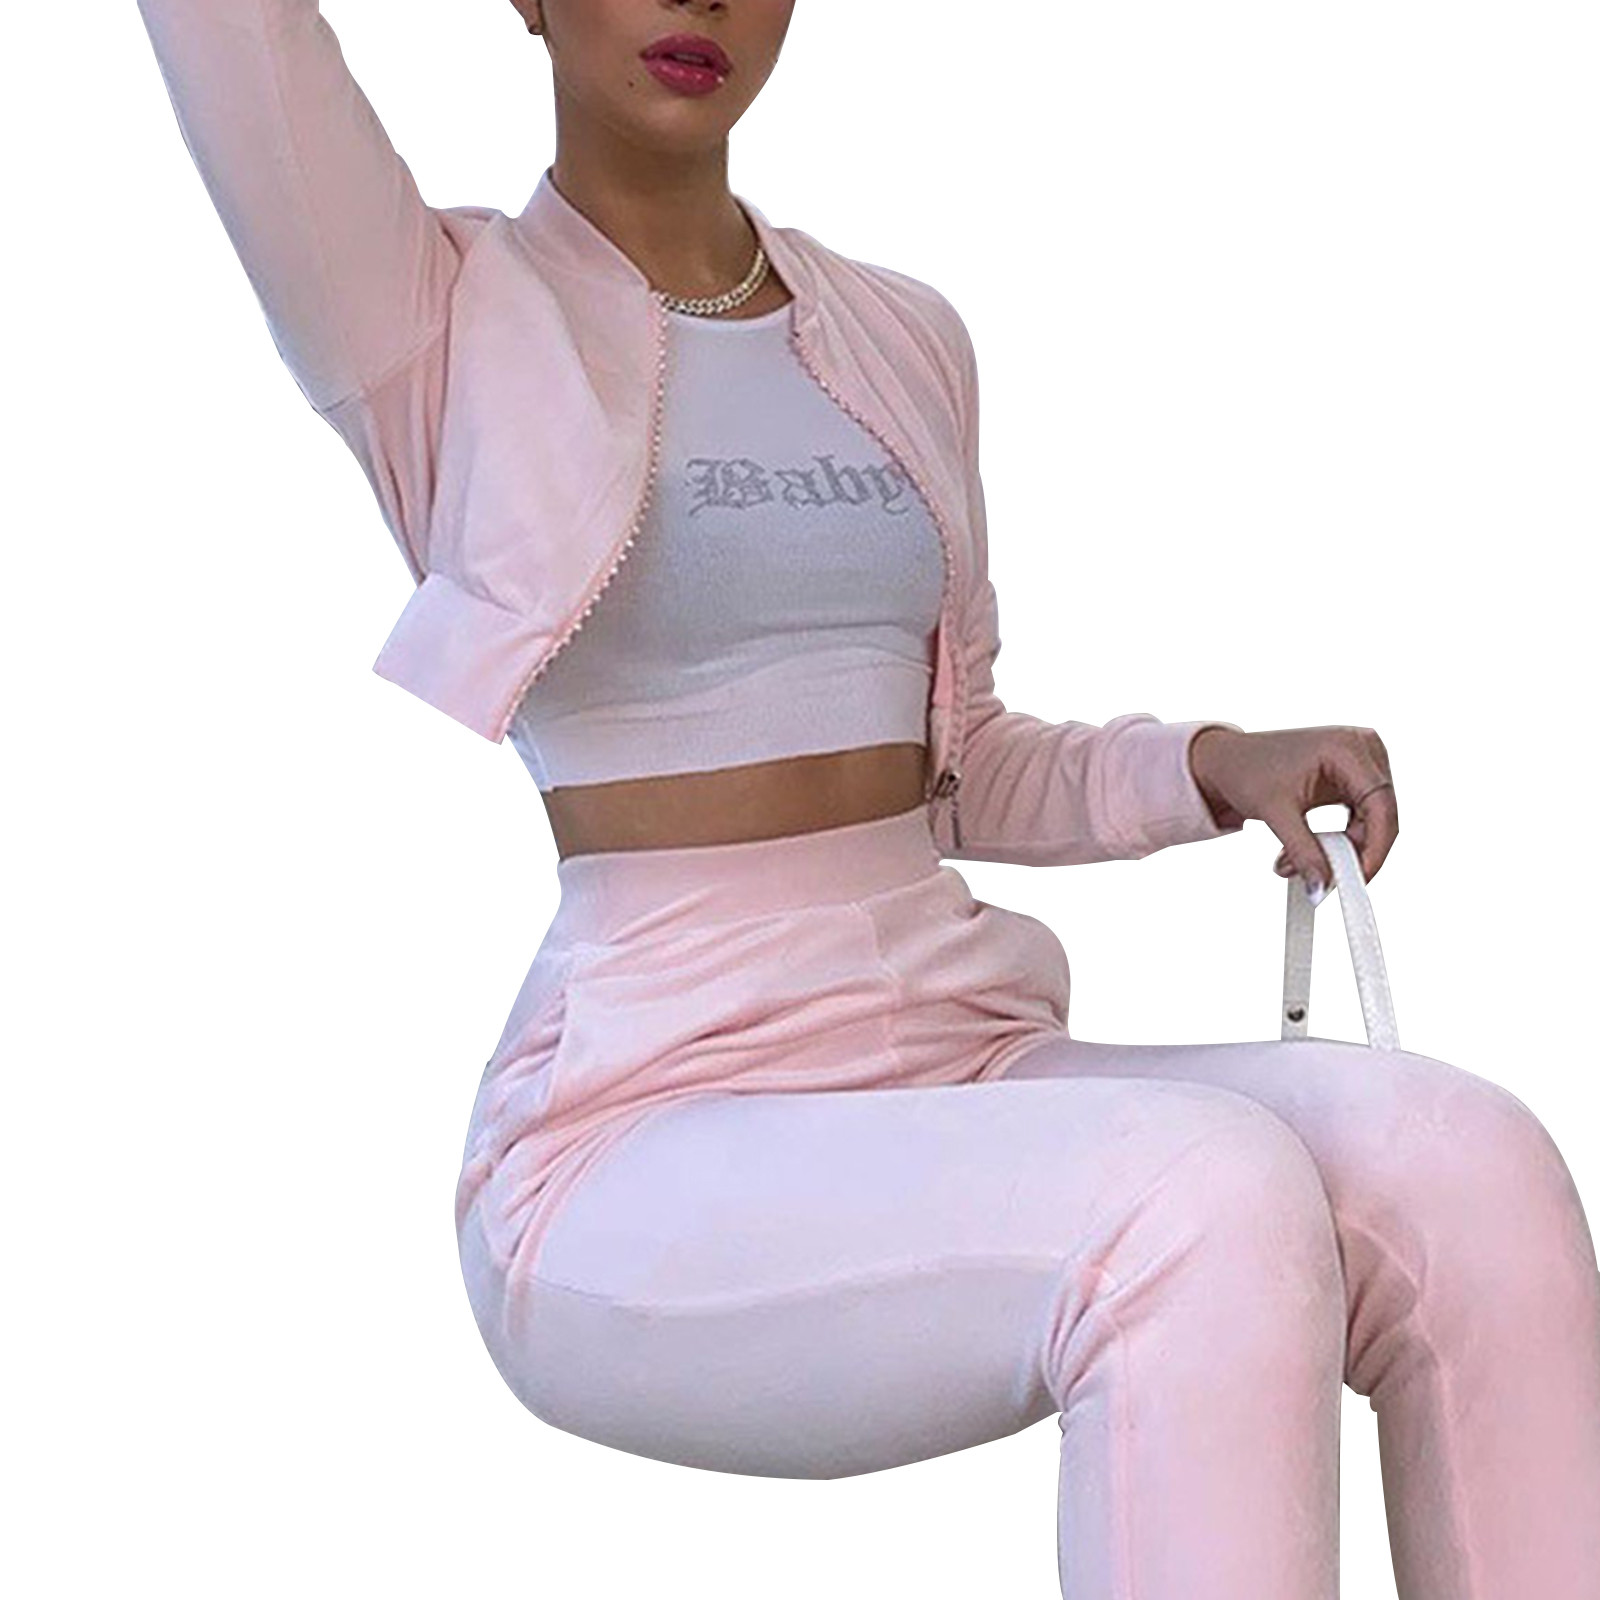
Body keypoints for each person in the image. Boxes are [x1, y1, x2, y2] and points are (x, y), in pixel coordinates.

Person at [134, 2, 1600, 1594]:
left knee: (1471, 1163)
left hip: (961, 1050)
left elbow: (960, 759)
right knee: (1201, 1199)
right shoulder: (431, 323)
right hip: (642, 1117)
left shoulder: (901, 336)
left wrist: (1206, 762)